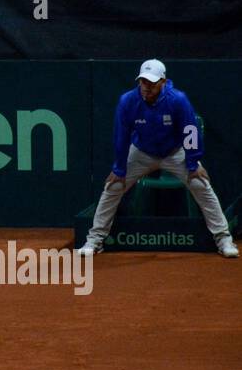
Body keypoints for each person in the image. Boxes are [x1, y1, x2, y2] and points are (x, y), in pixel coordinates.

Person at [79, 59, 237, 259]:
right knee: (113, 187)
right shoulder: (128, 101)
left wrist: (192, 162)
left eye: (152, 83)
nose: (147, 87)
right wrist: (119, 168)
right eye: (143, 82)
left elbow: (190, 130)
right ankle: (95, 240)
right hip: (141, 152)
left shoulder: (178, 100)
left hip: (175, 152)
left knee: (201, 184)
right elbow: (121, 136)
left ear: (163, 81)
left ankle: (223, 238)